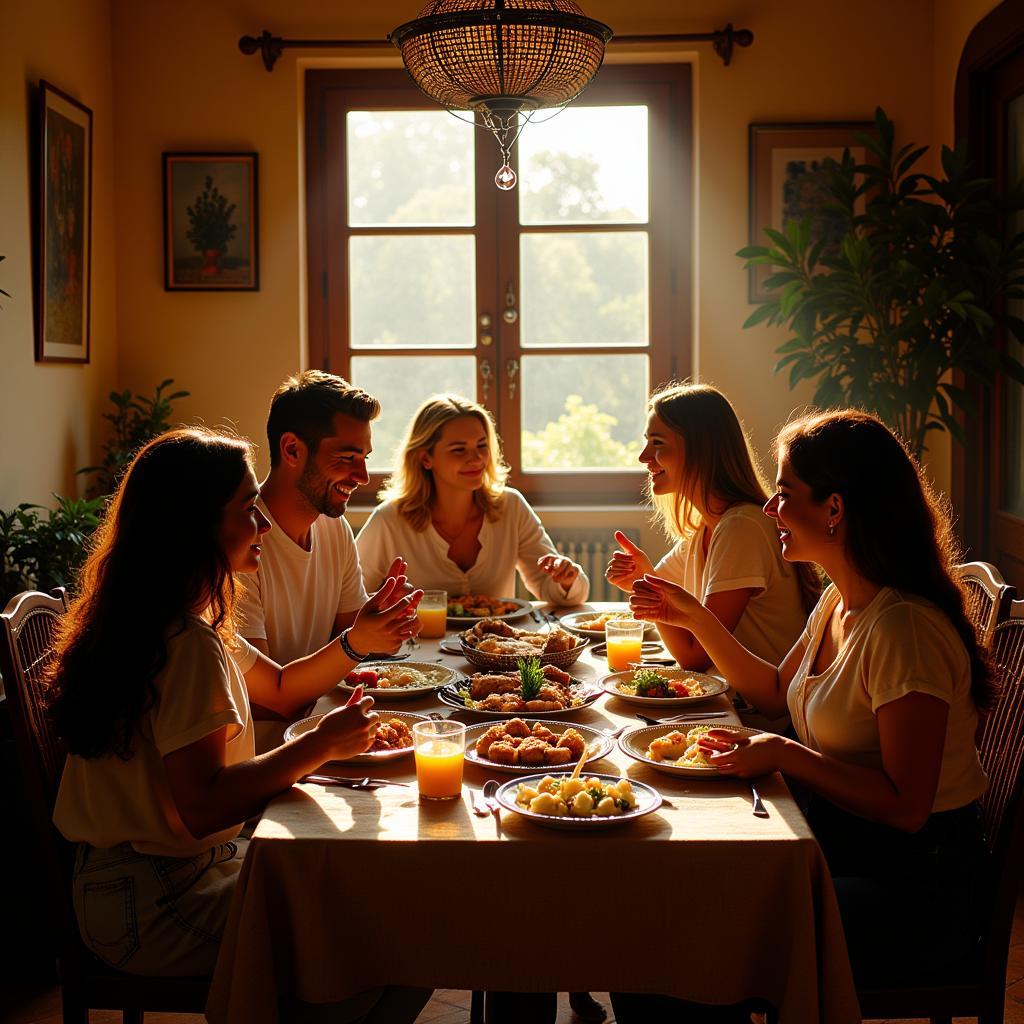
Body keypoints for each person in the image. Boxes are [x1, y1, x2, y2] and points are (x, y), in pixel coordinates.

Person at [48, 428, 429, 1022]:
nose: (265, 525)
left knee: (361, 899)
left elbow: (277, 687)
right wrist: (322, 745)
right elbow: (201, 807)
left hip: (128, 883)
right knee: (395, 935)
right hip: (154, 903)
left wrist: (357, 643)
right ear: (195, 527)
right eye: (248, 510)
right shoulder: (185, 644)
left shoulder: (153, 617)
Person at [624, 410, 990, 1014]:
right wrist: (691, 615)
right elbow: (772, 691)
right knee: (671, 903)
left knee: (680, 939)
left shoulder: (902, 629)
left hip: (915, 886)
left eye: (786, 492)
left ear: (835, 510)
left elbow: (907, 805)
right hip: (844, 840)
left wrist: (785, 753)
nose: (770, 509)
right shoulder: (837, 604)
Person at [606, 381, 818, 670]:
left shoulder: (741, 528)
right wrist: (641, 579)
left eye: (657, 443)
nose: (643, 457)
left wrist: (647, 593)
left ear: (700, 450)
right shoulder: (706, 530)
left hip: (753, 712)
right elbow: (657, 589)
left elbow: (696, 656)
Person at [357, 394, 588, 605]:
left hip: (493, 648)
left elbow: (553, 590)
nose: (476, 458)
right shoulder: (389, 520)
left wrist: (566, 579)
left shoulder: (511, 507)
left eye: (482, 445)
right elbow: (348, 597)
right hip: (416, 649)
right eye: (459, 450)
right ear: (425, 458)